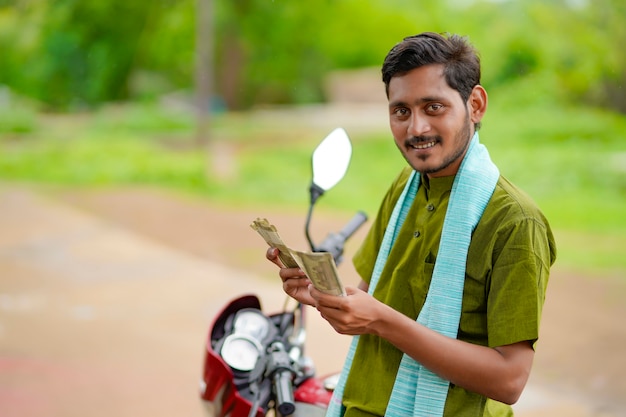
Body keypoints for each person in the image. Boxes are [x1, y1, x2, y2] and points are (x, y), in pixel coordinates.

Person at [266, 32, 556, 417]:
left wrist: (383, 321)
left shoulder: (514, 222)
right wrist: (323, 296)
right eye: (400, 111)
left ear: (476, 104)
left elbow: (509, 380)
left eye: (433, 107)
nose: (415, 128)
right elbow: (367, 306)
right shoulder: (405, 187)